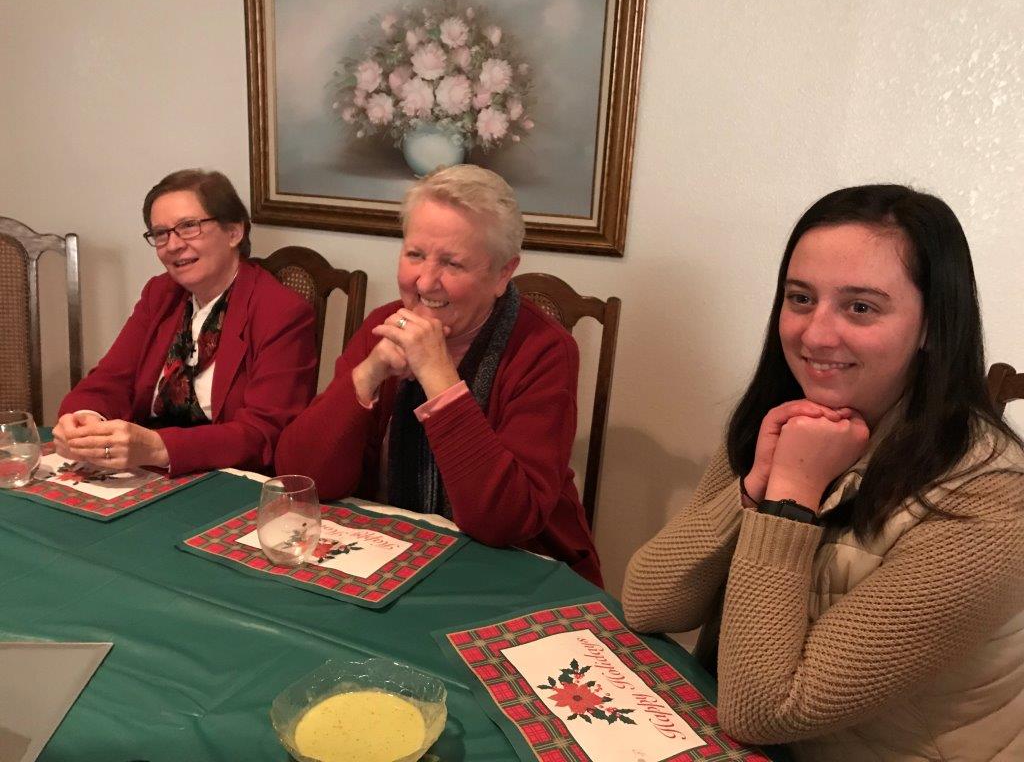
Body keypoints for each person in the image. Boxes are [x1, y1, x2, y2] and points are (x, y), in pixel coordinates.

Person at [622, 185, 1024, 760]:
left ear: (933, 326)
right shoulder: (786, 420)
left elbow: (764, 710)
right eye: (801, 298)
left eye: (861, 306)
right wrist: (754, 488)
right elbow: (648, 602)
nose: (814, 334)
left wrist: (790, 501)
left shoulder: (993, 501)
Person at [275, 165, 601, 586]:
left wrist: (438, 377)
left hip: (519, 567)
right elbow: (304, 479)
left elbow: (505, 520)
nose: (425, 281)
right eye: (414, 255)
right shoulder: (383, 323)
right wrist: (367, 374)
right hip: (393, 553)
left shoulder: (545, 349)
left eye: (452, 263)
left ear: (503, 273)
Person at [54, 169, 317, 475]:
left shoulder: (281, 311)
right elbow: (109, 380)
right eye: (161, 234)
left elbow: (263, 435)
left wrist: (157, 447)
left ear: (234, 232)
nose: (173, 245)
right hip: (146, 473)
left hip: (227, 480)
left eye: (189, 227)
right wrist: (84, 420)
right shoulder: (160, 293)